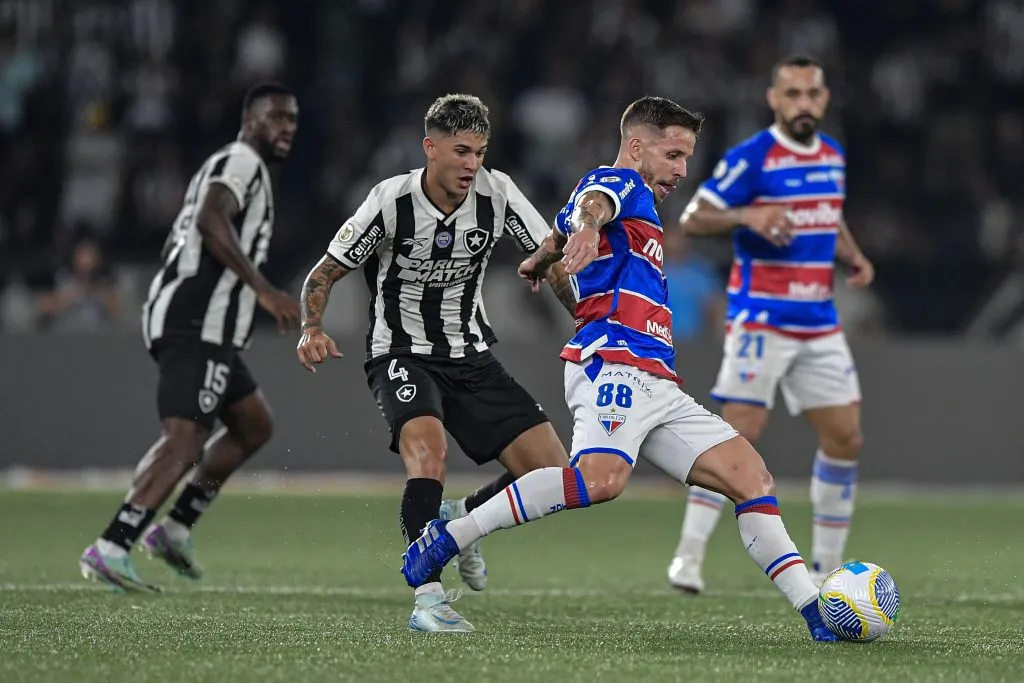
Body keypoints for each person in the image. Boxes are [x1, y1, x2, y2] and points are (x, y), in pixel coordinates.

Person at [401, 95, 838, 642]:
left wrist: (545, 254)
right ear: (637, 146)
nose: (682, 169)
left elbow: (564, 226)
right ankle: (451, 535)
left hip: (657, 378)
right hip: (614, 364)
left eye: (686, 157)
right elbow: (594, 202)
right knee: (599, 481)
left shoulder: (635, 206)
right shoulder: (621, 183)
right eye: (674, 154)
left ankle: (818, 613)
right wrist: (584, 229)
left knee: (751, 478)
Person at [295, 93, 570, 633]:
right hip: (399, 353)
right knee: (430, 453)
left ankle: (462, 520)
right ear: (431, 148)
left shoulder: (498, 193)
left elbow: (550, 259)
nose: (472, 164)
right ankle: (428, 598)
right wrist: (311, 329)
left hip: (470, 354)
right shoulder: (390, 201)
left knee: (553, 473)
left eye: (480, 152)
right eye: (462, 151)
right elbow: (324, 273)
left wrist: (584, 321)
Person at [79, 83, 302, 591]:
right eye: (275, 118)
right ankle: (112, 545)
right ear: (249, 120)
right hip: (197, 322)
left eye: (292, 120)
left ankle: (173, 529)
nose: (286, 128)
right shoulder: (242, 160)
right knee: (184, 442)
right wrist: (263, 290)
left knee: (253, 426)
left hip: (208, 324)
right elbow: (208, 218)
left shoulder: (241, 164)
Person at [669, 54, 874, 593]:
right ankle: (687, 558)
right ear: (774, 99)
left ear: (824, 99)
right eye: (792, 94)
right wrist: (748, 215)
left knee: (845, 438)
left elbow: (828, 216)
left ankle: (827, 568)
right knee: (737, 437)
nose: (803, 103)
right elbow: (695, 217)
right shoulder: (753, 157)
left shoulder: (831, 155)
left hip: (819, 322)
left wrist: (852, 255)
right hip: (761, 317)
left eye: (812, 94)